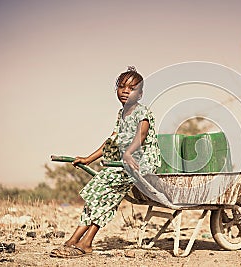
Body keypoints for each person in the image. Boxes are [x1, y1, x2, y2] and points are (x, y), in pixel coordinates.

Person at [51, 66, 161, 258]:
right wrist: (88, 158)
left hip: (141, 163)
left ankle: (85, 242)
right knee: (97, 193)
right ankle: (74, 240)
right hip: (124, 163)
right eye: (122, 87)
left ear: (140, 94)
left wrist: (127, 153)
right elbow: (112, 139)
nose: (126, 91)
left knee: (106, 193)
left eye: (132, 88)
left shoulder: (142, 112)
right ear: (117, 89)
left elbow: (141, 135)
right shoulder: (121, 114)